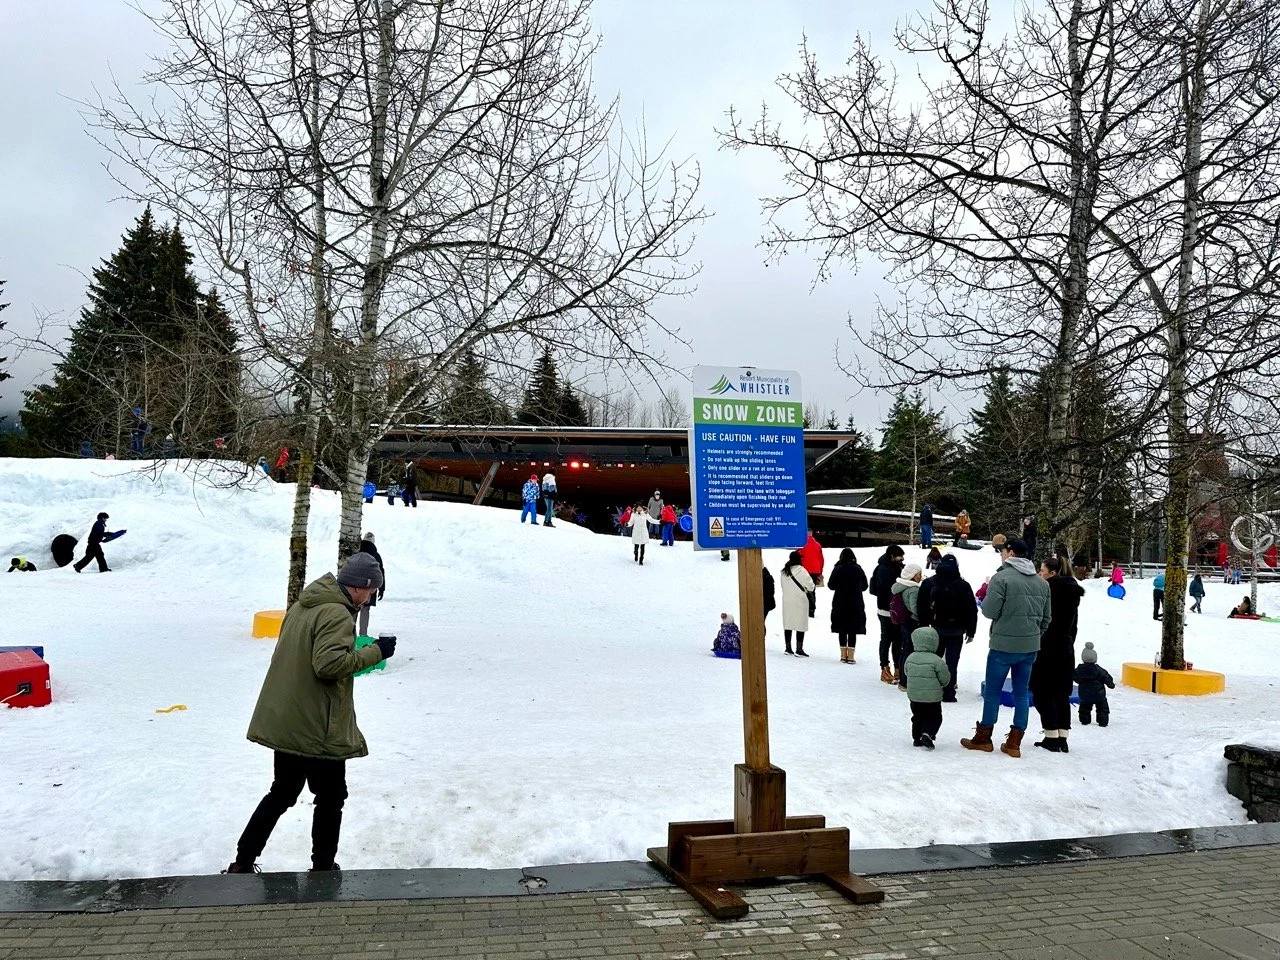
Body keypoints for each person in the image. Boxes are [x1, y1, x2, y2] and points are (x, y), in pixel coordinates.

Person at [226, 553, 393, 873]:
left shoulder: (305, 605)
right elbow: (329, 665)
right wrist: (376, 651)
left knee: (283, 792)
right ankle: (323, 868)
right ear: (360, 586)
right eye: (371, 591)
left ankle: (243, 861)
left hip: (290, 718)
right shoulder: (337, 614)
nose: (370, 597)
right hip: (317, 725)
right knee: (331, 797)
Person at [961, 538, 1051, 758]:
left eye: (1001, 551)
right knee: (1021, 693)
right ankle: (1014, 743)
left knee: (993, 691)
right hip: (1029, 647)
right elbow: (1046, 618)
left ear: (1010, 553)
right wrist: (1033, 635)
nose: (1000, 554)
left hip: (1002, 645)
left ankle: (983, 737)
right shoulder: (1042, 583)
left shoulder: (1001, 578)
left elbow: (989, 611)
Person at [1030, 557, 1083, 753]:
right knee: (1061, 693)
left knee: (1041, 692)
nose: (1039, 573)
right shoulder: (1072, 592)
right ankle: (1062, 736)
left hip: (1046, 647)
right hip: (1065, 647)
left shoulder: (1047, 591)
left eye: (1042, 570)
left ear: (1052, 573)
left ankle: (1051, 735)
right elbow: (1074, 625)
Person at [917, 554, 978, 703]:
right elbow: (971, 609)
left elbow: (921, 606)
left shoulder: (929, 583)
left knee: (933, 659)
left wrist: (924, 625)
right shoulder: (963, 585)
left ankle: (932, 688)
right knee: (952, 661)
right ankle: (948, 692)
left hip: (934, 629)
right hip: (956, 630)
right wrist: (971, 631)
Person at [904, 626, 950, 749]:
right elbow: (945, 678)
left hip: (915, 695)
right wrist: (944, 685)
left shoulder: (910, 658)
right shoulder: (937, 661)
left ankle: (916, 738)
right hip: (932, 697)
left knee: (917, 716)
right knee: (935, 716)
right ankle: (928, 733)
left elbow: (906, 672)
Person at [869, 545, 906, 684]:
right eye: (899, 556)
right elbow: (887, 588)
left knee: (898, 640)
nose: (902, 559)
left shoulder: (896, 567)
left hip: (896, 609)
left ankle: (897, 668)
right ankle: (884, 669)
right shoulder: (883, 569)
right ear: (892, 556)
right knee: (887, 639)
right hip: (885, 609)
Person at [827, 548, 868, 663]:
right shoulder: (858, 569)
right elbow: (865, 586)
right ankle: (850, 656)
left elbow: (831, 585)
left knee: (842, 628)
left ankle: (842, 654)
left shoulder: (838, 569)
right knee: (853, 628)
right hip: (855, 602)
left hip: (840, 601)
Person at [891, 563, 924, 690]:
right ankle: (906, 681)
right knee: (910, 650)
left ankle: (902, 679)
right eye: (919, 574)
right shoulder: (913, 589)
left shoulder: (900, 586)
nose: (920, 577)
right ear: (912, 575)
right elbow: (915, 609)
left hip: (904, 622)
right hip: (912, 622)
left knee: (905, 649)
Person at [780, 551, 815, 656]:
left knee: (788, 623)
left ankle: (788, 647)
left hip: (787, 600)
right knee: (800, 624)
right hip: (800, 600)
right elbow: (811, 586)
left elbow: (782, 586)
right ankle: (799, 649)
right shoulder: (802, 571)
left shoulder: (783, 572)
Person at [1073, 642, 1114, 727]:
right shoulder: (1099, 670)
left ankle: (1084, 720)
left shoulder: (1079, 670)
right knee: (1102, 708)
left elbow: (1074, 676)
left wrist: (1080, 681)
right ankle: (1103, 721)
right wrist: (1111, 684)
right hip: (1099, 695)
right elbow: (1107, 677)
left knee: (1084, 707)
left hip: (1085, 694)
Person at [356, 533, 386, 637]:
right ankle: (363, 634)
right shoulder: (376, 555)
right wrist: (382, 588)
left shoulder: (356, 551)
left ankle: (349, 633)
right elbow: (381, 573)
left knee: (353, 608)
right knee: (365, 610)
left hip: (355, 585)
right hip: (370, 586)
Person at [799, 529, 825, 617]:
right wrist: (820, 572)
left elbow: (798, 556)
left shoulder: (802, 545)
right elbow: (821, 559)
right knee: (812, 590)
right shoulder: (818, 545)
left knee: (803, 589)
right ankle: (812, 609)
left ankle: (805, 609)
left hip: (804, 570)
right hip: (815, 570)